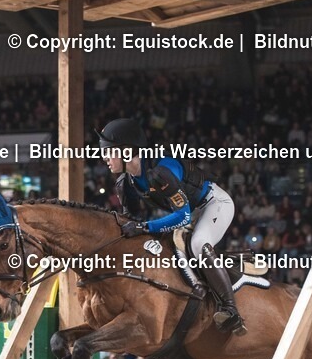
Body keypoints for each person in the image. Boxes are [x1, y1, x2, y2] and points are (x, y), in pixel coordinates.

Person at [98, 118, 246, 335]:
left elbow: (182, 217)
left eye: (109, 152)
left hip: (214, 204)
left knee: (198, 244)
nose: (105, 159)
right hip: (192, 211)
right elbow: (129, 223)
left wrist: (145, 227)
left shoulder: (162, 171)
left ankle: (231, 311)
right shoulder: (126, 183)